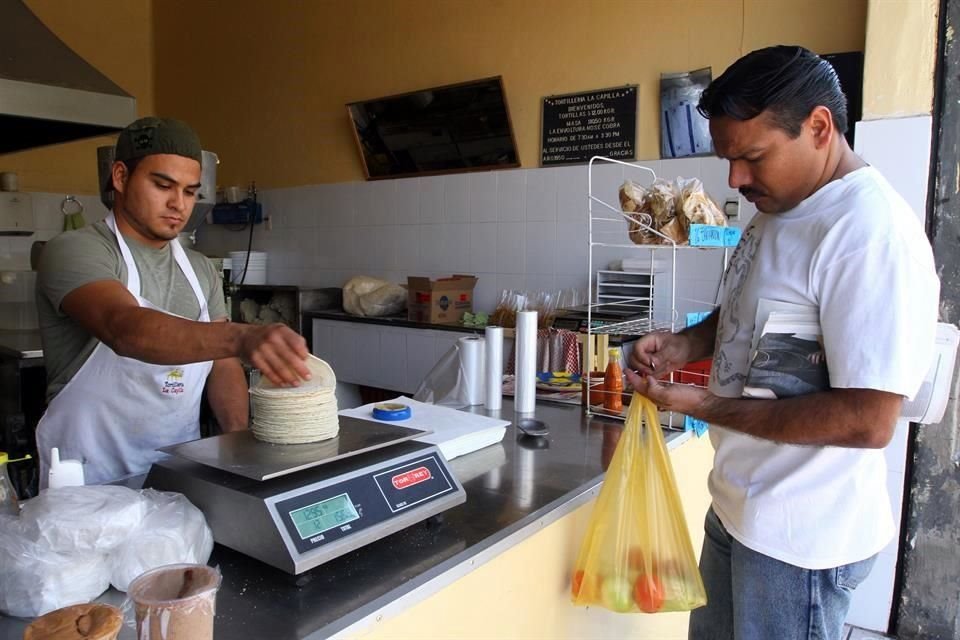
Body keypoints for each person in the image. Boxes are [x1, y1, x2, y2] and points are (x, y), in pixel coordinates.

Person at [626, 46, 939, 640]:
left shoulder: (869, 235)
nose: (736, 180)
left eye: (751, 157)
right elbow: (750, 309)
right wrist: (683, 344)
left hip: (801, 544)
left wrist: (708, 407)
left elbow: (867, 420)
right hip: (740, 510)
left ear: (819, 128)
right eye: (728, 159)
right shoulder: (781, 206)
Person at [35, 117, 312, 486]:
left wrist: (238, 441)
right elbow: (125, 329)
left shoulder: (200, 270)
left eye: (189, 191)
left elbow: (222, 364)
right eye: (162, 185)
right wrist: (242, 336)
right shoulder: (76, 251)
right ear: (120, 177)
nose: (177, 204)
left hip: (176, 478)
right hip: (87, 483)